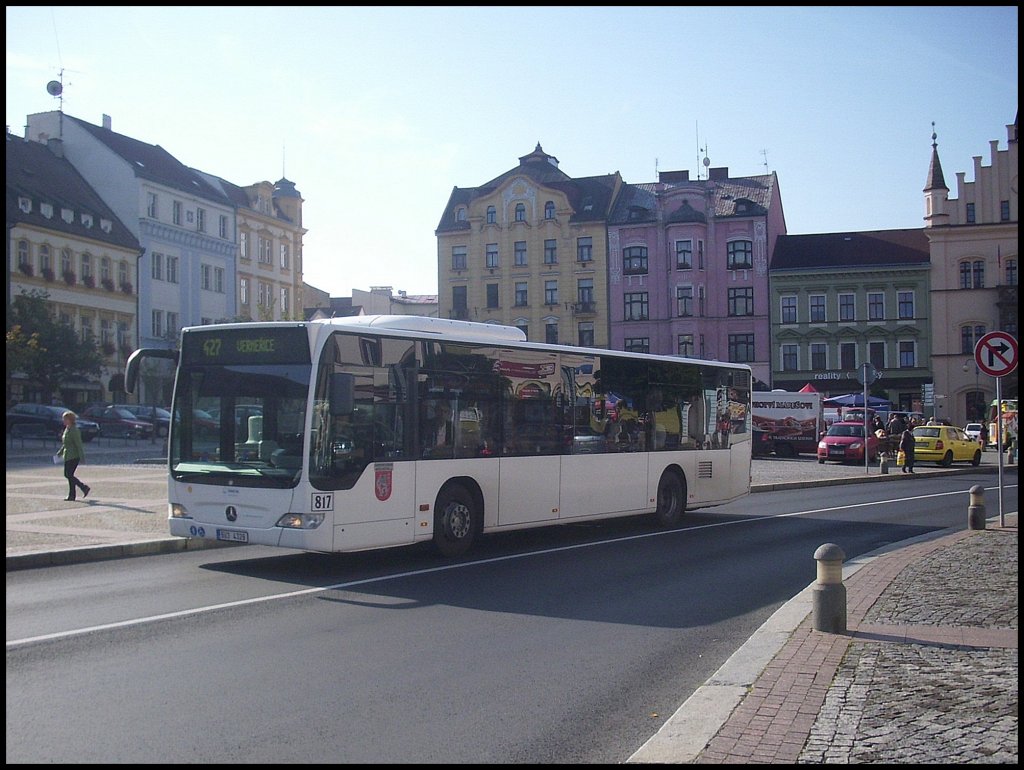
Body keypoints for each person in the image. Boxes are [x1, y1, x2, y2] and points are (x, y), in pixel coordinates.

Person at [58, 410, 91, 501]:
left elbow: (78, 444)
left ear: (70, 420)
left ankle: (83, 487)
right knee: (69, 475)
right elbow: (65, 443)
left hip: (74, 456)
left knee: (68, 474)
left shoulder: (74, 430)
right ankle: (72, 495)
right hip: (67, 455)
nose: (63, 421)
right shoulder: (67, 429)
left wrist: (82, 457)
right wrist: (60, 452)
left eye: (65, 419)